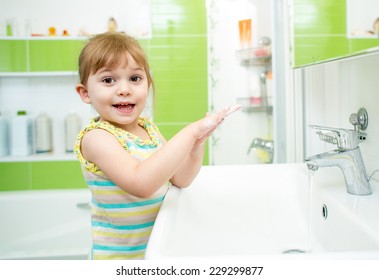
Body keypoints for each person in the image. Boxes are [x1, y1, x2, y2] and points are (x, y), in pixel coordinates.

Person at [74, 32, 240, 260]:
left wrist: (196, 143)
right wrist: (190, 132)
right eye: (108, 80)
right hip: (119, 260)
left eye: (135, 79)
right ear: (85, 93)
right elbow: (141, 183)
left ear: (148, 84)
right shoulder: (96, 137)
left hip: (155, 251)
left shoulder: (149, 130)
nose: (124, 89)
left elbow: (181, 179)